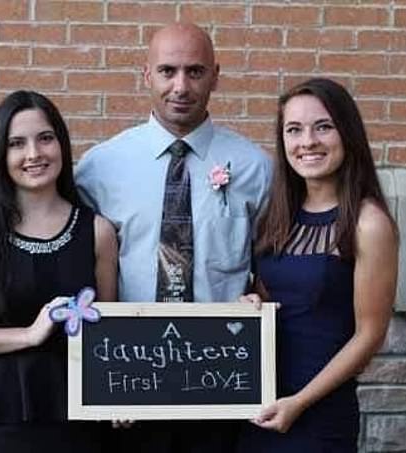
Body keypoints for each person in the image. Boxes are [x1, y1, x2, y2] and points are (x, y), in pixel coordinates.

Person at [75, 23, 271, 453]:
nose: (180, 86)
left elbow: (272, 266)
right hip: (130, 383)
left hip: (220, 382)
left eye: (195, 72)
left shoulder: (256, 169)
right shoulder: (99, 169)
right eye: (167, 71)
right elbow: (77, 276)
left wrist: (257, 296)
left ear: (215, 75)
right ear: (146, 74)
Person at [0, 90, 118, 453]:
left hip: (79, 423)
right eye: (17, 143)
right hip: (1, 422)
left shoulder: (97, 232)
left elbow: (107, 334)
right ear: (1, 156)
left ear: (61, 144)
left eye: (45, 138)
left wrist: (118, 397)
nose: (34, 154)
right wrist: (29, 335)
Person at [237, 78, 399, 452]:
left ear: (347, 133)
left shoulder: (368, 223)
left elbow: (369, 335)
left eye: (323, 127)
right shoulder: (277, 216)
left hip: (318, 415)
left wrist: (300, 402)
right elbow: (271, 296)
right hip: (260, 405)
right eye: (294, 130)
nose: (307, 141)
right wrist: (250, 303)